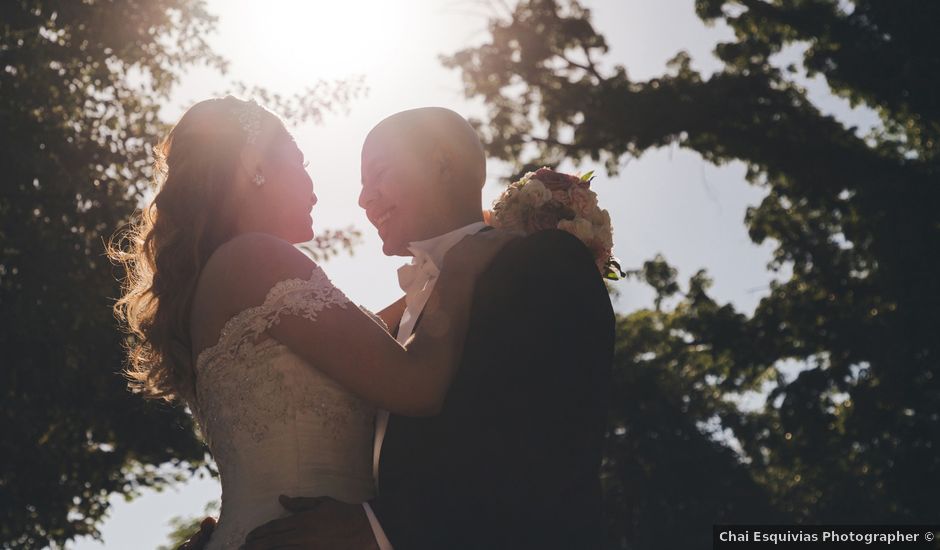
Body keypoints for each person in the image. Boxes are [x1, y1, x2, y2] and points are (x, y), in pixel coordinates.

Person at [111, 97, 512, 550]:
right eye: (301, 164)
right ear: (255, 167)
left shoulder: (228, 272)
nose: (316, 189)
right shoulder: (256, 257)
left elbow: (359, 342)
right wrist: (461, 265)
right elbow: (415, 385)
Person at [229, 107, 616, 550]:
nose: (363, 199)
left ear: (441, 161)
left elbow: (556, 446)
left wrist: (382, 529)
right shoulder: (392, 326)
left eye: (379, 173)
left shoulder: (544, 261)